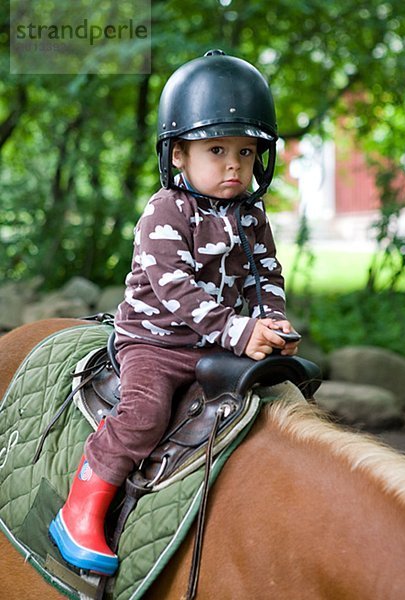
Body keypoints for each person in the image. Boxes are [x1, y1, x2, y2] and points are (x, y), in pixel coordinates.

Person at [49, 49, 300, 576]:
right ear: (179, 155)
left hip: (220, 342)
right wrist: (239, 330)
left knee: (287, 408)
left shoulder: (251, 213)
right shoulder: (166, 211)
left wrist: (272, 322)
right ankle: (81, 507)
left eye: (247, 152)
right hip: (158, 343)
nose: (235, 165)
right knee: (143, 417)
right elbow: (176, 291)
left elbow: (266, 275)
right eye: (216, 150)